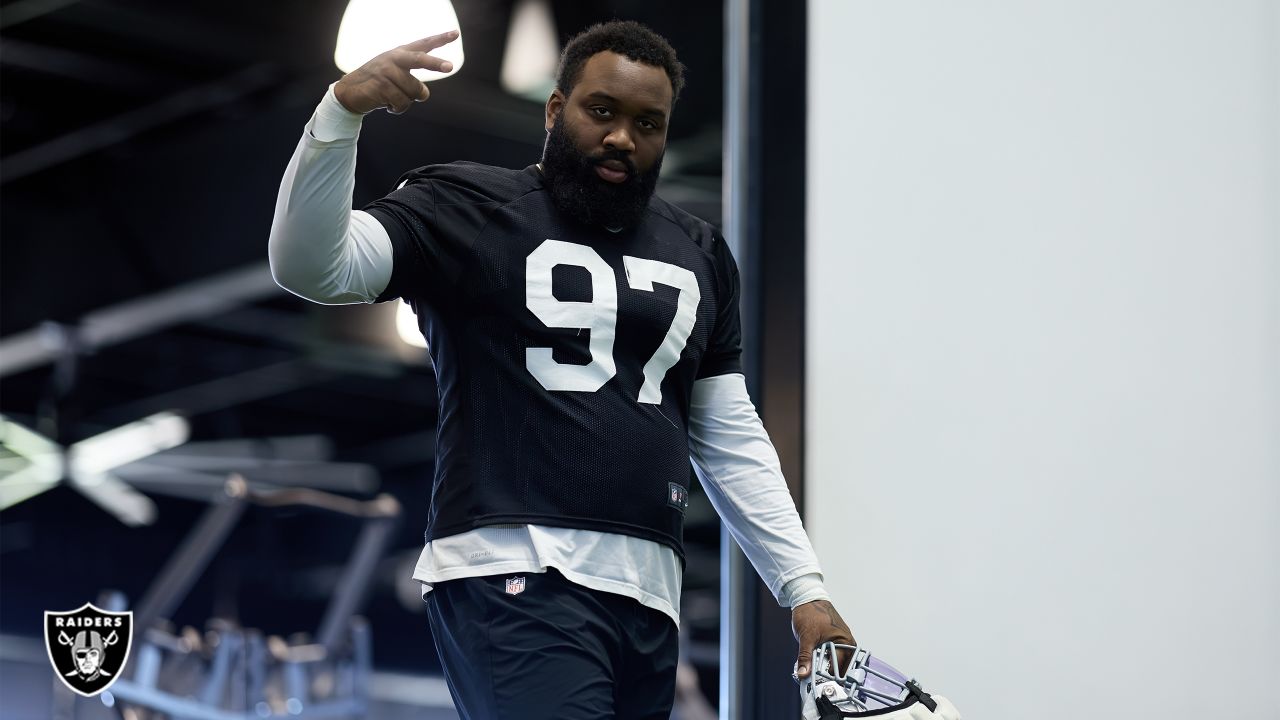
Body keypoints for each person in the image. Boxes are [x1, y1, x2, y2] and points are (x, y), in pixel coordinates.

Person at [269, 20, 854, 719]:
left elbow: (728, 435)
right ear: (555, 110)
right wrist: (340, 114)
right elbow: (312, 266)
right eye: (601, 111)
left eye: (648, 123)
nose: (621, 138)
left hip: (647, 596)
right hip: (514, 567)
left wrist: (804, 589)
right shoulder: (468, 206)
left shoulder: (699, 252)